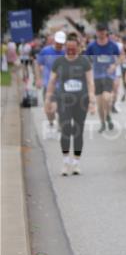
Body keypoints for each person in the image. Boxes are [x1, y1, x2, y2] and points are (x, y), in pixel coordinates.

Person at [45, 33, 96, 176]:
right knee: (66, 129)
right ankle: (66, 161)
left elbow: (90, 82)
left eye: (73, 48)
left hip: (81, 101)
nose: (71, 50)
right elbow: (52, 81)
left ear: (79, 48)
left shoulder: (84, 61)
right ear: (65, 48)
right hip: (64, 100)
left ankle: (76, 162)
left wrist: (92, 101)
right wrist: (49, 99)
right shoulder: (59, 62)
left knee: (78, 131)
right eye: (68, 48)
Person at [84, 23, 121, 133]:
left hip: (108, 76)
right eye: (99, 31)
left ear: (106, 32)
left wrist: (114, 65)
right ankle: (103, 122)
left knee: (107, 98)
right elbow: (86, 58)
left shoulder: (113, 45)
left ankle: (108, 114)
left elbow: (120, 58)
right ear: (96, 32)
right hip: (96, 76)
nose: (101, 33)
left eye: (103, 31)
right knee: (100, 103)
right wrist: (89, 67)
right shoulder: (92, 46)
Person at [36, 31, 66, 140]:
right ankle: (51, 122)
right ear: (54, 40)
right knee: (49, 110)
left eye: (61, 43)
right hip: (48, 84)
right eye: (58, 42)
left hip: (62, 85)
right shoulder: (46, 51)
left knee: (60, 108)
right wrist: (38, 78)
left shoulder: (66, 52)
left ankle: (61, 126)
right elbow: (38, 64)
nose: (59, 45)